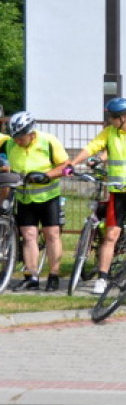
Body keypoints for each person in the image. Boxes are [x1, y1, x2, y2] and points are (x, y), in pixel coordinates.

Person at [64, 97, 126, 296]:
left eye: (114, 117)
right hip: (117, 192)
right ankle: (102, 278)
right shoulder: (110, 133)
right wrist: (73, 163)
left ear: (125, 117)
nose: (110, 121)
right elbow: (92, 147)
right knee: (110, 235)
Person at [2, 111, 69, 291]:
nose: (18, 141)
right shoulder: (10, 144)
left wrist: (46, 175)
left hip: (49, 198)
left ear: (31, 133)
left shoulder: (48, 141)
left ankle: (54, 275)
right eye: (15, 137)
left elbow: (65, 166)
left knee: (52, 235)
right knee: (29, 236)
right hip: (24, 198)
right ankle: (32, 276)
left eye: (21, 138)